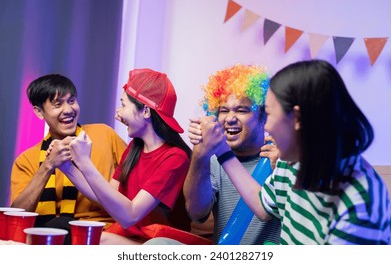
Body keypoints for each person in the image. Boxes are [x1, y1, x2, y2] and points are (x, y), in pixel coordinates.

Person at [197, 60, 391, 244]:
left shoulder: (360, 202)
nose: (268, 126)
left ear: (297, 118)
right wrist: (221, 148)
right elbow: (262, 205)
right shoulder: (291, 162)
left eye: (270, 114)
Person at [146, 64, 282, 245]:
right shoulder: (214, 160)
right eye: (224, 110)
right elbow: (196, 212)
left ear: (264, 116)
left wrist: (283, 167)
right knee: (157, 246)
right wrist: (199, 151)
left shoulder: (279, 157)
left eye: (241, 110)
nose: (230, 118)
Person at [60, 69, 192, 244]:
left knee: (97, 241)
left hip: (158, 243)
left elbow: (131, 216)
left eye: (123, 105)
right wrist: (66, 166)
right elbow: (106, 196)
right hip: (132, 237)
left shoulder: (175, 158)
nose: (118, 114)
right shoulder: (135, 148)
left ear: (146, 111)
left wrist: (85, 163)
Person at [10, 74, 127, 243]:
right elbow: (17, 217)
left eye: (71, 101)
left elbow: (134, 194)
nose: (68, 109)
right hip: (49, 237)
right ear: (39, 112)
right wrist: (47, 166)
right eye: (58, 104)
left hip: (104, 234)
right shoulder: (27, 160)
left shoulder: (105, 135)